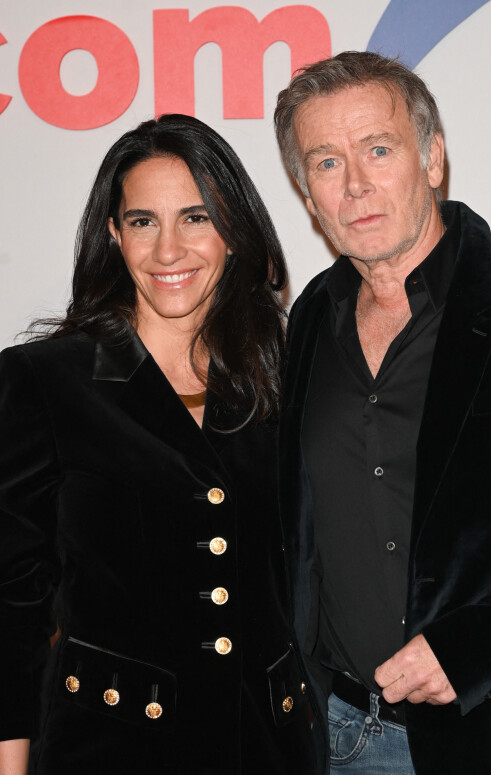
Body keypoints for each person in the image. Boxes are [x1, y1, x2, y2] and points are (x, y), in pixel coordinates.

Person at [274, 50, 491, 775]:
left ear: (432, 157)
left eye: (378, 150)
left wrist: (474, 650)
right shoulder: (310, 318)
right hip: (340, 731)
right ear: (305, 190)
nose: (355, 185)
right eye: (325, 162)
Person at [0, 114, 317, 775]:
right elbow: (12, 600)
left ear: (233, 234)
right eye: (143, 221)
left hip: (267, 747)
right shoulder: (47, 381)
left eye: (196, 217)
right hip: (111, 749)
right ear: (114, 236)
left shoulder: (283, 376)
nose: (169, 249)